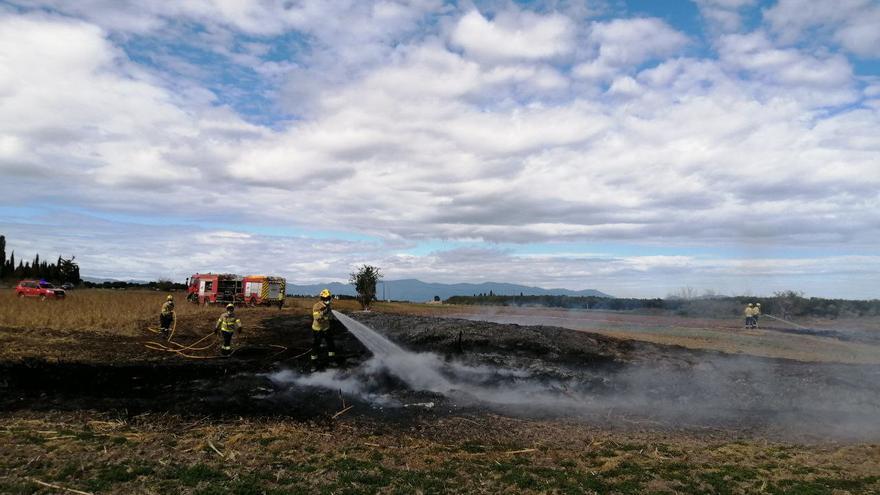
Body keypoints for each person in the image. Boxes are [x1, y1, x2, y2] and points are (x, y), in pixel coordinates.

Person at [310, 289, 337, 369]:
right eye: (325, 299)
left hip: (326, 328)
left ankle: (332, 361)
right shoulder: (316, 306)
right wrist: (323, 313)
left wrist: (332, 317)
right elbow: (317, 318)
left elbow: (329, 316)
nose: (327, 300)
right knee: (316, 346)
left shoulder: (328, 306)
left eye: (328, 298)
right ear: (322, 298)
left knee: (331, 345)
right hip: (317, 329)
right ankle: (313, 364)